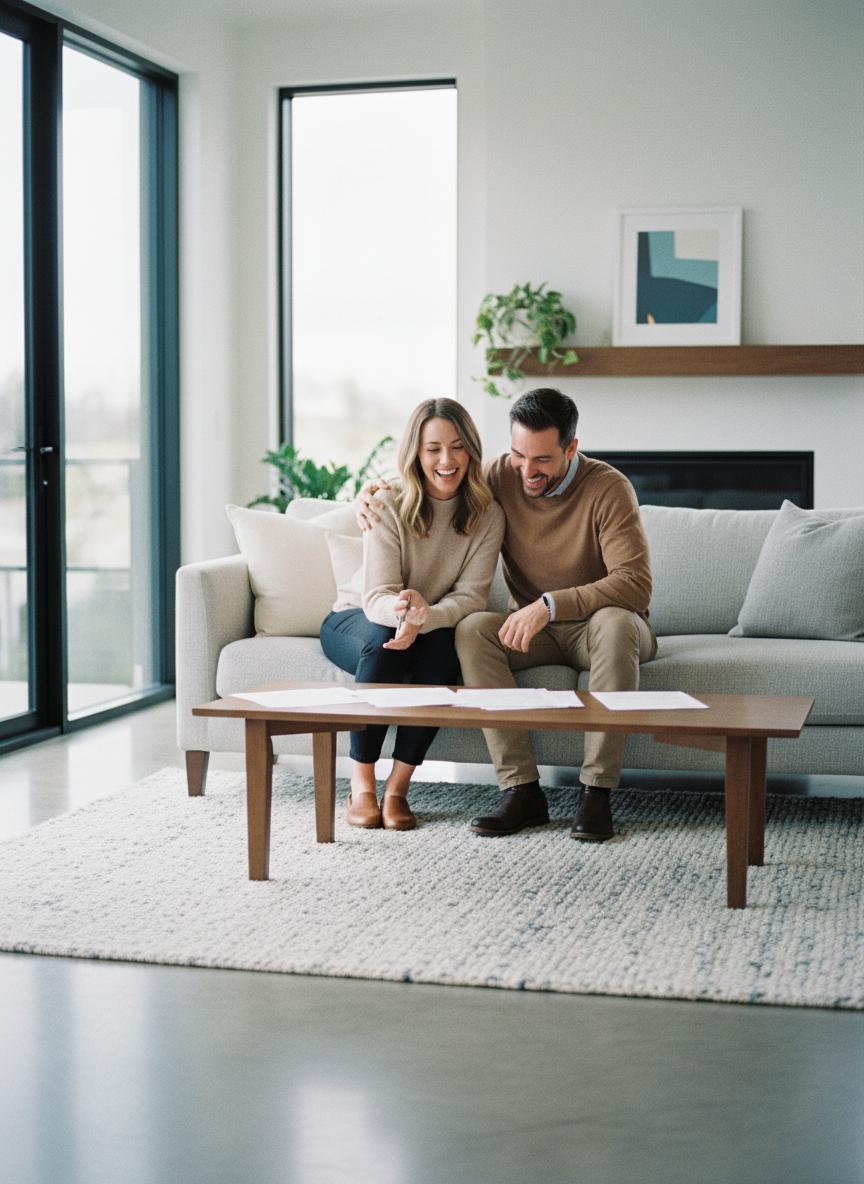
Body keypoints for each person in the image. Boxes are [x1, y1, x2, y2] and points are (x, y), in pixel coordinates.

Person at [359, 388, 656, 842]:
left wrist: (549, 605)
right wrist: (370, 491)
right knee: (475, 628)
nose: (527, 470)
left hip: (607, 626)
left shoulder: (608, 488)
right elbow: (435, 472)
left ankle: (596, 792)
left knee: (614, 622)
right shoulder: (501, 474)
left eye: (542, 460)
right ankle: (522, 790)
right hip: (536, 630)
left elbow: (635, 584)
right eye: (519, 454)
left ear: (571, 449)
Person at [320, 397, 505, 832]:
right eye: (433, 448)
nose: (446, 460)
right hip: (355, 615)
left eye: (458, 447)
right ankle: (362, 784)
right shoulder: (387, 502)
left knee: (444, 652)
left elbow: (472, 596)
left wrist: (426, 617)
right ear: (416, 453)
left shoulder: (487, 514)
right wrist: (404, 614)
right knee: (385, 644)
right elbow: (377, 595)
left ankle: (399, 788)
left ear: (472, 451)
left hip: (427, 619)